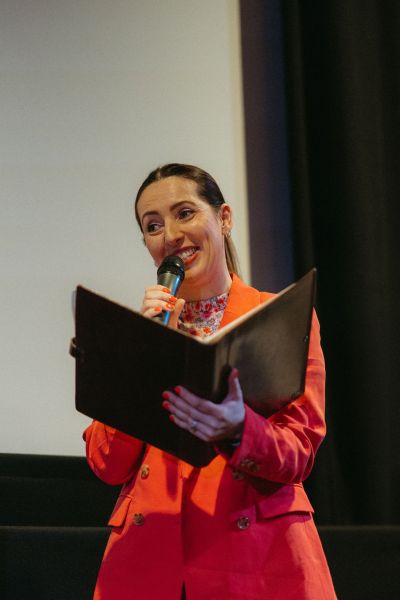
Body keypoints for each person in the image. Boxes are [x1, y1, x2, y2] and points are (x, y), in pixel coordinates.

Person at [84, 163, 337, 599]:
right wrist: (136, 358)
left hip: (257, 559)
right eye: (153, 225)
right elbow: (106, 464)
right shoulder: (138, 331)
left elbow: (298, 449)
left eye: (185, 213)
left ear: (223, 218)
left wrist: (239, 430)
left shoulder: (280, 317)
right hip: (151, 563)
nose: (171, 235)